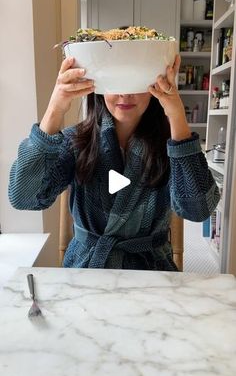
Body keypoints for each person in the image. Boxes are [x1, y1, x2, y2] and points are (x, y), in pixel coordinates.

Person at [8, 55, 220, 271]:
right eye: (114, 81)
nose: (124, 94)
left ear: (153, 83)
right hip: (87, 269)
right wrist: (55, 109)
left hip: (151, 272)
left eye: (135, 81)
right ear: (98, 84)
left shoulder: (172, 146)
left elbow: (199, 210)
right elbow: (23, 197)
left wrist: (176, 115)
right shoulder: (76, 141)